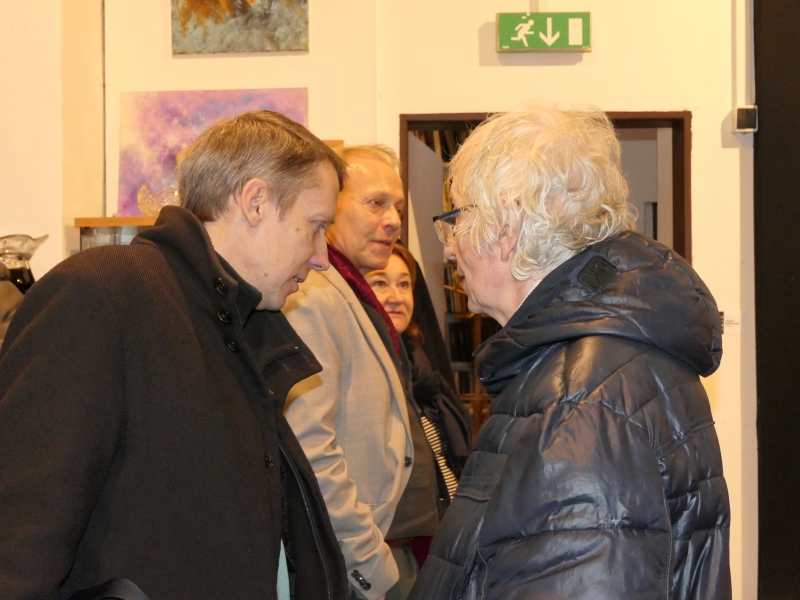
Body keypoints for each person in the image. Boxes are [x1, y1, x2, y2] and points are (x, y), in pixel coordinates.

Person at [0, 110, 349, 600]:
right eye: (315, 227)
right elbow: (21, 533)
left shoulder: (244, 324)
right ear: (255, 202)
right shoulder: (104, 292)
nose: (322, 257)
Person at [409, 106, 731, 600]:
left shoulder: (578, 399)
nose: (450, 248)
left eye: (459, 218)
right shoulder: (603, 357)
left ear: (510, 223)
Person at [282, 145, 440, 600]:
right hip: (360, 558)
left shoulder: (353, 292)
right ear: (329, 206)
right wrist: (366, 560)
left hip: (394, 542)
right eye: (375, 203)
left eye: (398, 208)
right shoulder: (311, 293)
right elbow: (311, 446)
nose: (393, 221)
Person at [364, 244, 472, 510]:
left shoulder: (421, 367)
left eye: (404, 284)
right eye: (380, 283)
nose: (396, 297)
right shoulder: (365, 377)